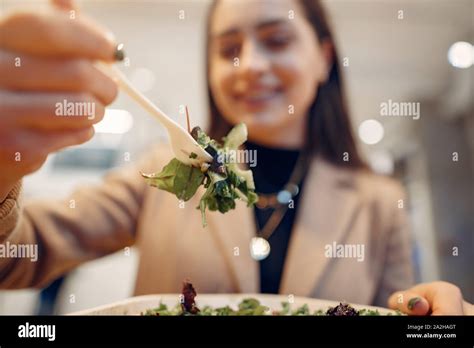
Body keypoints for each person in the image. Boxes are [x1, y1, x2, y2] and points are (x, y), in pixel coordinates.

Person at [0, 0, 471, 315]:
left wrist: (427, 313)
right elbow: (18, 256)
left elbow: (396, 307)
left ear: (324, 57)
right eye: (229, 50)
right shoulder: (167, 173)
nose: (251, 65)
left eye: (277, 40)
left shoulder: (378, 202)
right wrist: (5, 168)